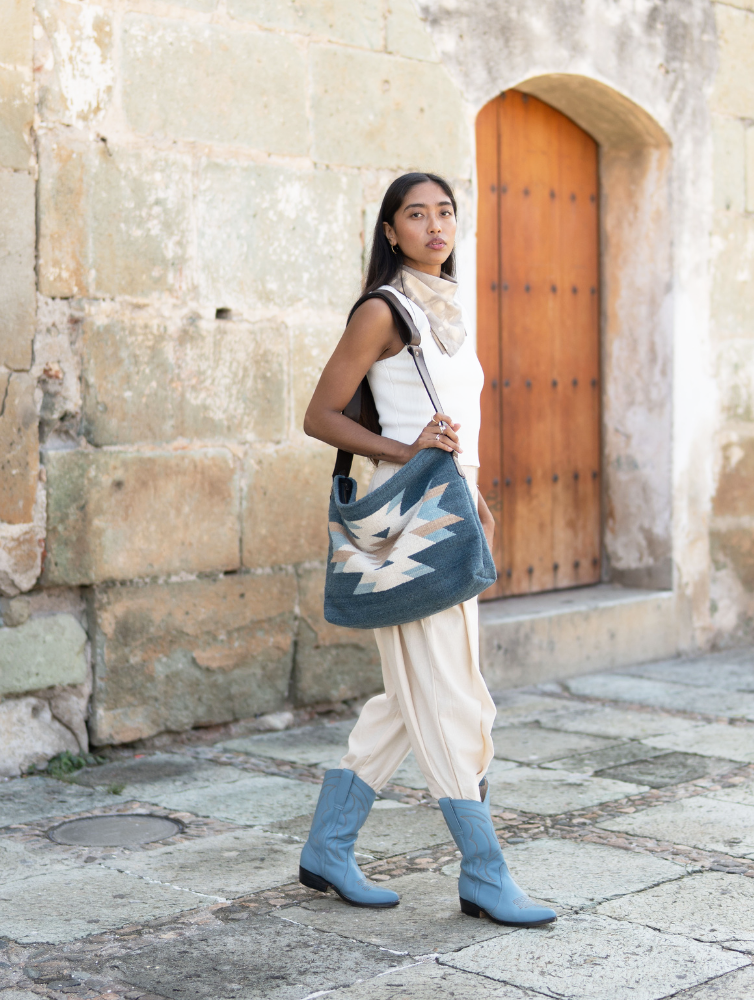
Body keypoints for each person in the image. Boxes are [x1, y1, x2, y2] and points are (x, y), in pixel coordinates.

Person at [300, 172, 556, 928]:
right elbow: (318, 414)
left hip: (445, 509)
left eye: (445, 212)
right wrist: (406, 450)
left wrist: (468, 487)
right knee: (453, 698)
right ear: (391, 231)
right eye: (417, 214)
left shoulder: (447, 306)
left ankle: (328, 846)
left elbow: (451, 420)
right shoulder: (384, 310)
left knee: (410, 695)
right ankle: (483, 871)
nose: (435, 225)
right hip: (406, 520)